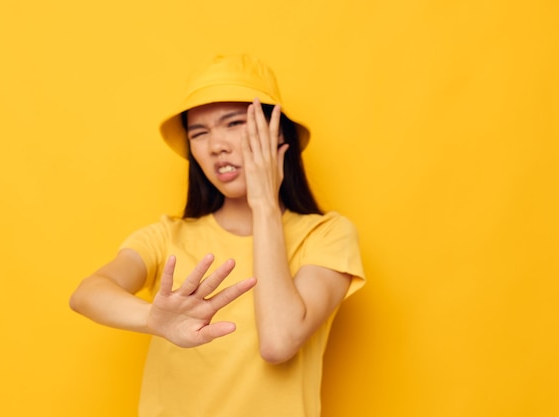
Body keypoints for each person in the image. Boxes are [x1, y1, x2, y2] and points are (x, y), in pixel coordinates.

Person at [70, 53, 365, 417]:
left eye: (234, 123)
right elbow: (87, 293)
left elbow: (278, 342)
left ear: (278, 134)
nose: (216, 146)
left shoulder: (326, 235)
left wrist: (265, 207)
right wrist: (152, 319)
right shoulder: (168, 236)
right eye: (199, 133)